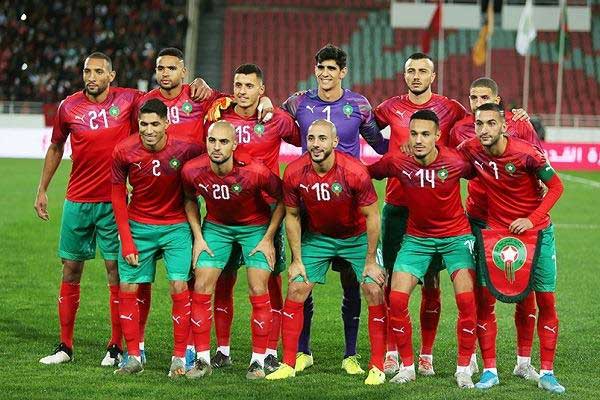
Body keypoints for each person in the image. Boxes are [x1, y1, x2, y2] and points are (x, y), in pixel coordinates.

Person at [281, 44, 388, 375]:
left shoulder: (359, 105)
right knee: (303, 282)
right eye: (321, 67)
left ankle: (351, 355)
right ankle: (302, 351)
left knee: (352, 283)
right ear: (315, 69)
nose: (325, 73)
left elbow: (380, 144)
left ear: (343, 72)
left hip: (351, 203)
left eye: (332, 68)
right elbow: (274, 123)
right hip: (311, 203)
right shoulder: (298, 102)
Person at [35, 52, 143, 367]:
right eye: (87, 71)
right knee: (70, 269)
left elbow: (167, 96)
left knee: (115, 271)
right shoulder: (68, 106)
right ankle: (65, 346)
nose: (91, 77)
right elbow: (56, 147)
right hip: (77, 199)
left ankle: (115, 346)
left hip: (114, 202)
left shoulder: (129, 99)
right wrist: (42, 188)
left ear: (111, 75)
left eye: (98, 71)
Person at [266, 119, 387, 385]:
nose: (316, 144)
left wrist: (370, 261)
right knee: (296, 287)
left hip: (356, 238)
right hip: (318, 237)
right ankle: (288, 363)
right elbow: (292, 216)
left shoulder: (354, 171)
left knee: (373, 288)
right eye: (311, 138)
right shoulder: (295, 172)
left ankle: (377, 367)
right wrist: (297, 260)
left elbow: (372, 216)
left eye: (322, 138)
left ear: (335, 142)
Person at [458, 103, 565, 394]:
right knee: (484, 301)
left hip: (537, 234)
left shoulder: (527, 154)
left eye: (491, 123)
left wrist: (531, 219)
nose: (484, 129)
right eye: (479, 124)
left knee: (546, 301)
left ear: (504, 126)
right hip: (495, 235)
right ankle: (490, 371)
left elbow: (556, 187)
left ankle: (547, 373)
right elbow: (445, 162)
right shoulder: (471, 149)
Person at [368, 110, 478, 389]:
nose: (418, 140)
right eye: (414, 134)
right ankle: (407, 368)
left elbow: (485, 172)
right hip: (417, 239)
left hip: (456, 238)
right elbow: (364, 174)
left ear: (437, 136)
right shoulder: (398, 161)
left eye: (425, 134)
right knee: (397, 300)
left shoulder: (455, 161)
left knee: (467, 302)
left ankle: (463, 369)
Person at [204, 63, 301, 372]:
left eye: (249, 86)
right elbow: (203, 96)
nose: (242, 91)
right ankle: (222, 350)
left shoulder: (276, 119)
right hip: (226, 209)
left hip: (266, 213)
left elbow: (305, 138)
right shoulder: (220, 113)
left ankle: (269, 351)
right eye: (238, 85)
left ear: (261, 90)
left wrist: (272, 105)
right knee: (224, 280)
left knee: (270, 281)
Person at [448, 77, 543, 387]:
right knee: (481, 293)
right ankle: (477, 356)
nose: (477, 103)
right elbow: (450, 166)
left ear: (498, 101)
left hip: (516, 223)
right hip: (478, 219)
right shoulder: (461, 130)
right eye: (473, 98)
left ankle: (523, 362)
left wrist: (534, 209)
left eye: (484, 97)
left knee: (525, 291)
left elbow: (540, 163)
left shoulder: (520, 125)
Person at [182, 121, 285, 380]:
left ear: (234, 145)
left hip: (255, 228)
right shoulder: (192, 170)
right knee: (201, 286)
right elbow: (189, 198)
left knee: (258, 288)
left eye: (223, 141)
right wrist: (198, 237)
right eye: (212, 141)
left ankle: (257, 362)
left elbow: (283, 198)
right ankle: (203, 360)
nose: (217, 147)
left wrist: (269, 238)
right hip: (217, 228)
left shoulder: (255, 170)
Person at [110, 98, 203, 376]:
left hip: (176, 227)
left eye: (154, 124)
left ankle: (179, 358)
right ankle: (133, 357)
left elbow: (212, 161)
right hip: (139, 227)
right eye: (143, 124)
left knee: (179, 286)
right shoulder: (124, 150)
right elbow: (117, 194)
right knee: (127, 288)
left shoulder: (187, 148)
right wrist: (126, 240)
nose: (148, 130)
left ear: (166, 124)